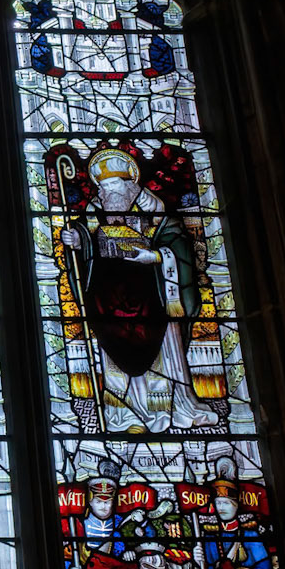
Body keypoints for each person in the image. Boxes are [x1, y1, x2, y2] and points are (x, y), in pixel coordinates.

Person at [59, 143, 214, 432]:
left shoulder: (157, 215)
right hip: (110, 302)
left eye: (110, 192)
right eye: (102, 192)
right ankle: (125, 414)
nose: (103, 197)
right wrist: (78, 241)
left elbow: (179, 249)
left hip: (153, 298)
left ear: (131, 190)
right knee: (115, 354)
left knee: (160, 360)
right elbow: (86, 243)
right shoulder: (95, 216)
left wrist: (155, 257)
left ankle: (165, 410)